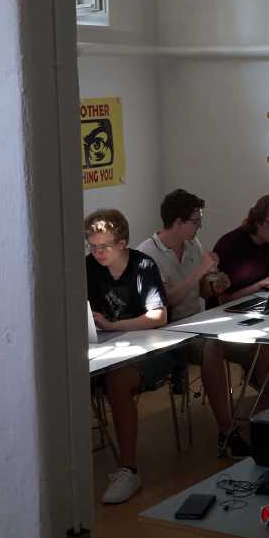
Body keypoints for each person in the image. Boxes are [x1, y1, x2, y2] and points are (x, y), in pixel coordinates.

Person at [135, 188, 253, 456]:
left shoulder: (192, 245)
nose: (200, 225)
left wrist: (215, 285)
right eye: (196, 221)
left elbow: (200, 291)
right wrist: (201, 270)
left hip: (196, 324)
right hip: (167, 332)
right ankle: (227, 432)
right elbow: (168, 301)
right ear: (178, 222)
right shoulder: (147, 254)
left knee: (256, 340)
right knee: (213, 347)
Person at [85, 208, 180, 504]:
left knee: (117, 381)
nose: (98, 253)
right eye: (93, 246)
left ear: (123, 242)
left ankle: (128, 469)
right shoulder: (89, 266)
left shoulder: (143, 266)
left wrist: (113, 325)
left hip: (152, 348)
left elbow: (159, 317)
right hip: (105, 345)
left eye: (104, 246)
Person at [205, 193, 269, 416]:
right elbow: (224, 300)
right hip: (225, 315)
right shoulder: (231, 244)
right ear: (259, 220)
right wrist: (261, 284)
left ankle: (262, 382)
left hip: (254, 307)